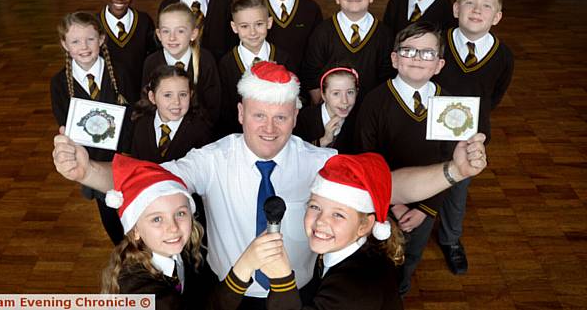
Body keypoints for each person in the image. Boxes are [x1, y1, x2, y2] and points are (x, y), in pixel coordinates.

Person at [53, 62, 488, 309]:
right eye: (259, 115)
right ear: (241, 112)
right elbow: (149, 182)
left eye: (281, 117)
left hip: (301, 293)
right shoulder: (213, 158)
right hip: (226, 290)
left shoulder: (318, 159)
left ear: (296, 118)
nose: (269, 127)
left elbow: (387, 185)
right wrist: (87, 171)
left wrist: (454, 171)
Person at [216, 153, 404, 310]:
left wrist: (282, 280)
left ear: (364, 226)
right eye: (315, 207)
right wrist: (246, 264)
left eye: (338, 214)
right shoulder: (339, 252)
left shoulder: (356, 289)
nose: (321, 221)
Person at [355, 21, 455, 295]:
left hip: (426, 206)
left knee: (411, 256)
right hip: (383, 203)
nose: (418, 59)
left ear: (439, 64)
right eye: (409, 51)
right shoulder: (375, 101)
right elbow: (367, 155)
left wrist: (427, 209)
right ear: (395, 59)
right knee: (378, 254)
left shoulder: (449, 105)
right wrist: (393, 205)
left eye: (427, 53)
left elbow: (450, 163)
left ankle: (401, 288)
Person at [433, 0, 514, 275]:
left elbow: (494, 95)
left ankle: (451, 239)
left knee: (458, 188)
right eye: (470, 2)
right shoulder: (437, 42)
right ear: (456, 9)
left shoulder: (503, 56)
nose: (477, 10)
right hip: (428, 132)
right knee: (422, 181)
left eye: (486, 6)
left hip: (467, 139)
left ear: (497, 16)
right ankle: (408, 231)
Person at [49, 11, 130, 245]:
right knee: (110, 217)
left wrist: (126, 153)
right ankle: (124, 255)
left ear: (102, 39)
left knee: (134, 210)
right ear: (65, 44)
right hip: (92, 163)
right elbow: (64, 122)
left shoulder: (121, 73)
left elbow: (134, 114)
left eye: (90, 39)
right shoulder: (59, 83)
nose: (84, 47)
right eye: (75, 41)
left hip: (124, 158)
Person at [100, 154, 217, 310]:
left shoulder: (187, 253)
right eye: (157, 219)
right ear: (135, 230)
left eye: (180, 213)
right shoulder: (134, 287)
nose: (173, 228)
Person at [301, 0, 395, 105]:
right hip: (332, 111)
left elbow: (388, 78)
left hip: (370, 111)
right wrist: (325, 109)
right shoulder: (322, 32)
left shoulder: (385, 34)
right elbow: (311, 75)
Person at [218, 0, 292, 136]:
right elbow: (224, 110)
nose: (252, 32)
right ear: (234, 27)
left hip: (277, 133)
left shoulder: (284, 58)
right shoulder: (226, 64)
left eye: (259, 24)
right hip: (240, 135)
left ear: (269, 23)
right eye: (244, 26)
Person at [142, 2, 221, 127]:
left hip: (199, 130)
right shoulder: (151, 62)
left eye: (180, 31)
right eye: (166, 31)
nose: (172, 38)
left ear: (193, 34)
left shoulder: (205, 60)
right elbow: (147, 102)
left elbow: (214, 105)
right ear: (159, 35)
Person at [98, 0, 157, 103]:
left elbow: (154, 57)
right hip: (107, 99)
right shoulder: (93, 25)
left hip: (140, 96)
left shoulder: (144, 21)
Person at [131, 65, 212, 164]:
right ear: (152, 97)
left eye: (183, 94)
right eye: (168, 95)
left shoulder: (200, 131)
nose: (176, 102)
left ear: (190, 95)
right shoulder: (141, 126)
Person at [293, 65, 359, 153]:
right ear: (323, 95)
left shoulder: (359, 120)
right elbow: (296, 154)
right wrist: (325, 140)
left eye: (350, 92)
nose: (344, 101)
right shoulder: (305, 117)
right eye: (336, 93)